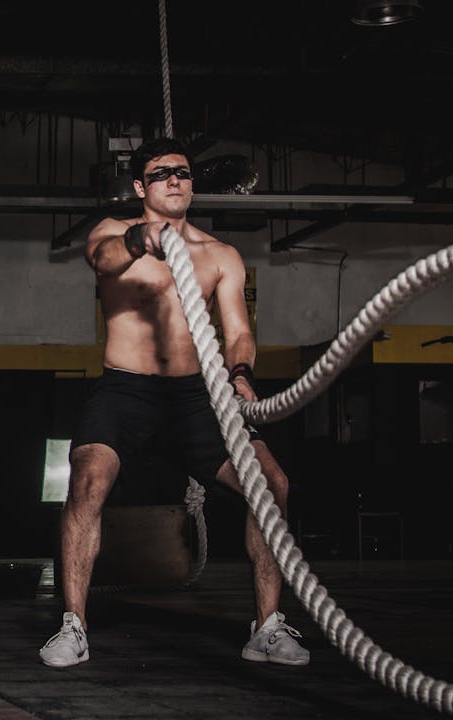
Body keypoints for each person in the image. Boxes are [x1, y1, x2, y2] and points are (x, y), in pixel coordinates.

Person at [38, 137, 309, 668]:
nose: (176, 180)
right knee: (88, 478)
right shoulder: (115, 234)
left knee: (272, 485)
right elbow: (103, 259)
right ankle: (74, 625)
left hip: (196, 396)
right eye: (162, 174)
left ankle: (268, 627)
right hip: (125, 390)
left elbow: (237, 331)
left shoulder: (221, 255)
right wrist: (146, 239)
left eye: (182, 173)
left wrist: (240, 375)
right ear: (141, 187)